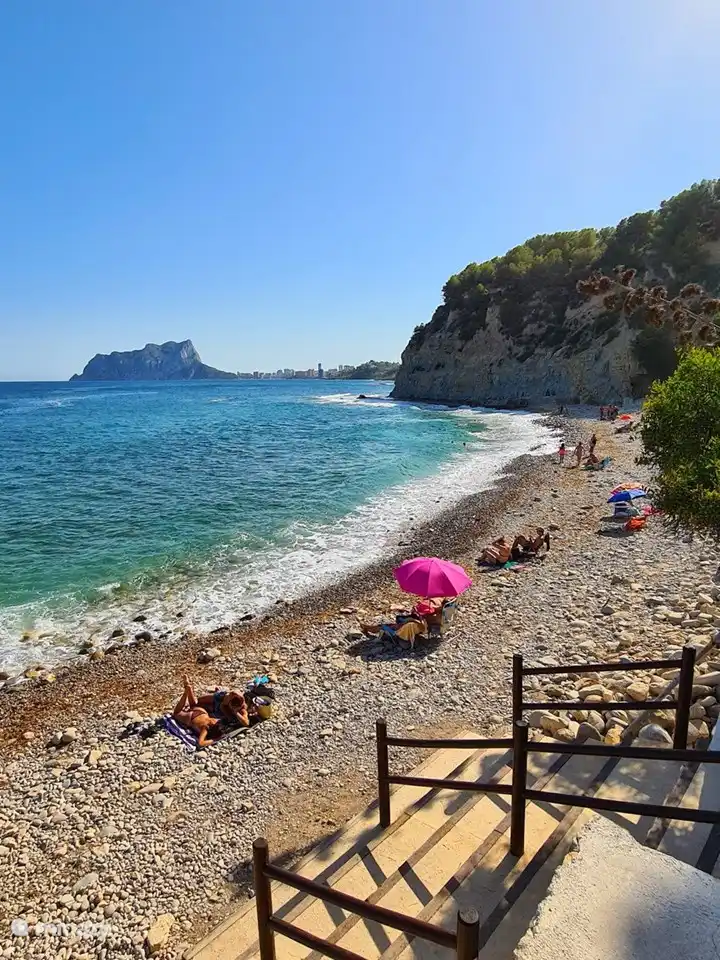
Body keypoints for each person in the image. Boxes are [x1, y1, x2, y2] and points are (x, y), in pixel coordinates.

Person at [173, 675, 222, 747]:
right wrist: (215, 740)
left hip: (201, 711)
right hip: (192, 716)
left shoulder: (215, 722)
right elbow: (201, 743)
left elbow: (200, 743)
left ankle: (188, 689)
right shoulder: (205, 728)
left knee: (193, 705)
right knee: (176, 713)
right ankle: (186, 693)